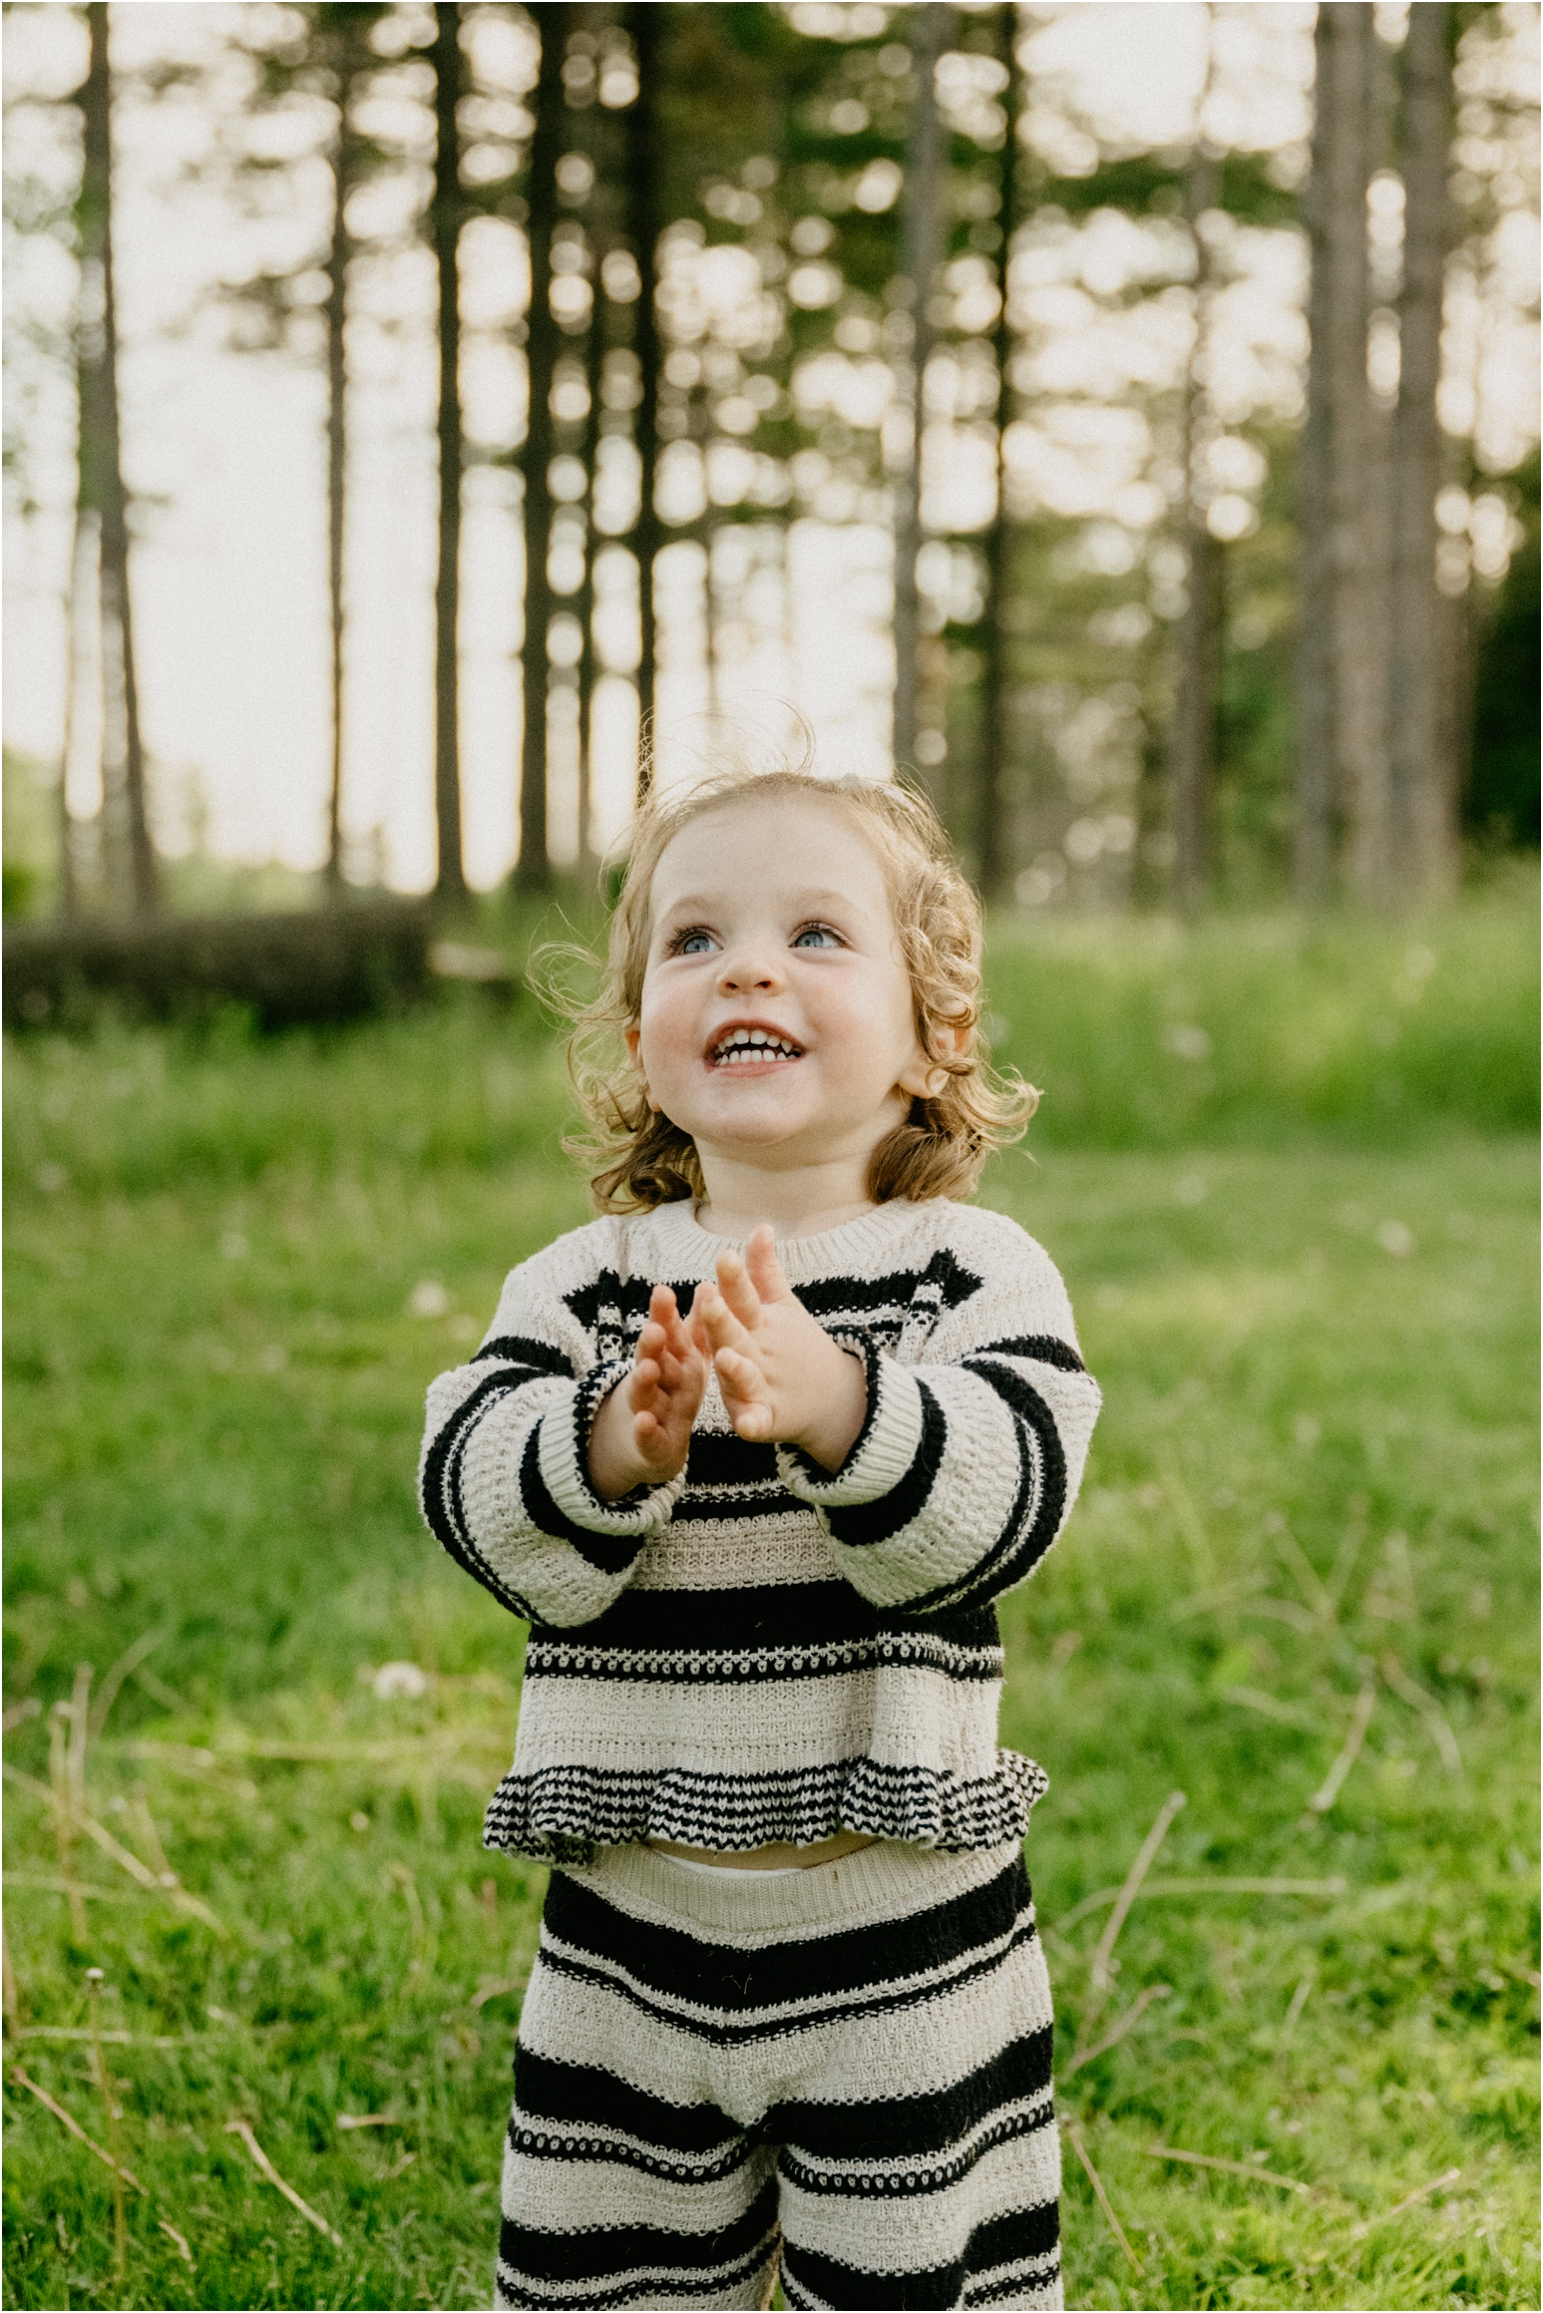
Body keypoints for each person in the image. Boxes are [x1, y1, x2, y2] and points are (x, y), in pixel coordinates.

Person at [421, 763, 1101, 2313]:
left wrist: (843, 1405)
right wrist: (610, 1440)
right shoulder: (585, 1288)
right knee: (608, 2278)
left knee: (918, 2283)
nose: (747, 966)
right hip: (624, 1941)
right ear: (639, 1040)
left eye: (815, 932)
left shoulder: (965, 1274)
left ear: (936, 1034)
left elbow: (1008, 1501)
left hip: (899, 1934)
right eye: (695, 939)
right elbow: (470, 1484)